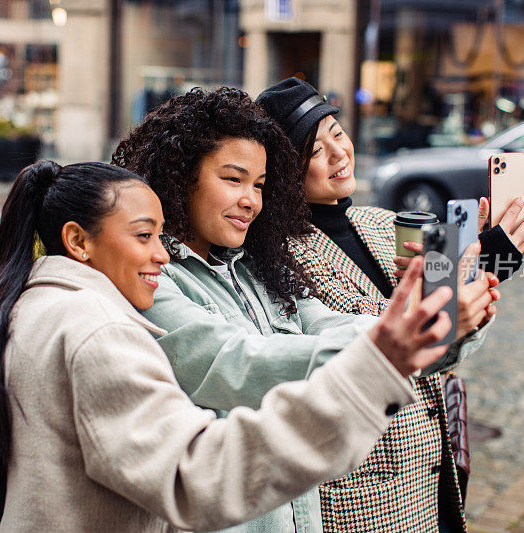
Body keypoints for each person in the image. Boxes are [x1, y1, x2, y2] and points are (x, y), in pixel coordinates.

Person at [0, 160, 457, 532]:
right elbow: (195, 472)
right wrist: (374, 368)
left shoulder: (41, 302)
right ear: (78, 240)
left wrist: (416, 328)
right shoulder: (100, 331)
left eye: (160, 235)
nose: (161, 255)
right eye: (142, 236)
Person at [112, 87, 492, 532]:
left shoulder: (257, 267)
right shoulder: (154, 278)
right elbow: (235, 362)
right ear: (180, 176)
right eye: (233, 180)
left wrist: (448, 314)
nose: (251, 199)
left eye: (258, 184)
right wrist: (396, 340)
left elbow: (334, 323)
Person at [256, 77, 524, 532]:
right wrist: (450, 300)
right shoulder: (279, 255)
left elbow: (451, 345)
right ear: (284, 172)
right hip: (364, 492)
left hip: (432, 470)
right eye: (313, 151)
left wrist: (483, 264)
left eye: (337, 134)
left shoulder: (387, 222)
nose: (339, 154)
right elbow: (372, 350)